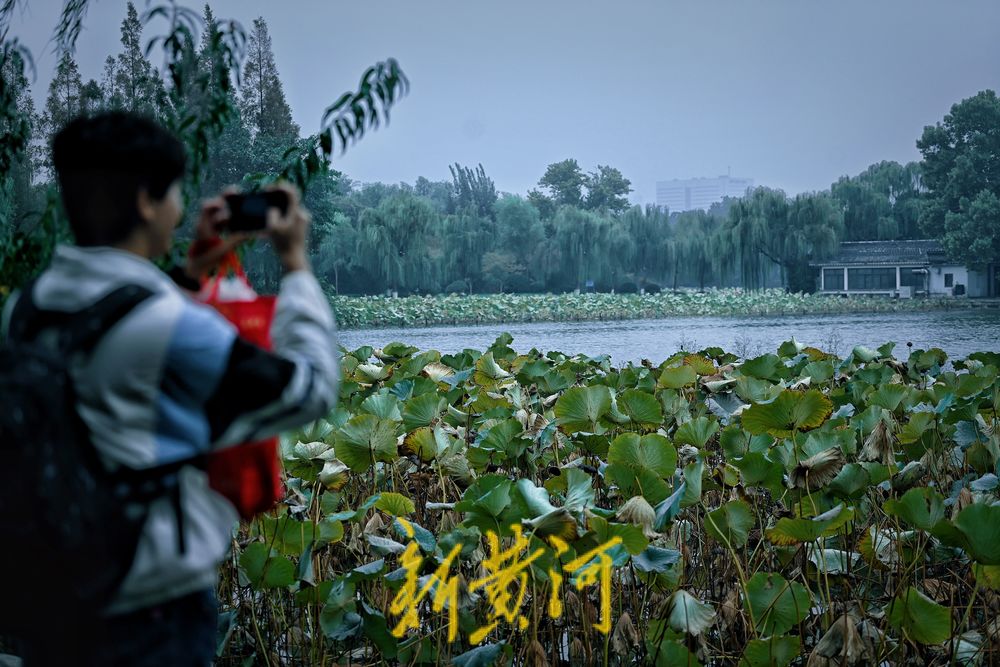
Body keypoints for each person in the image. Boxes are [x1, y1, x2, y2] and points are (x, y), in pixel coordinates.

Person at [2, 112, 339, 665]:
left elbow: (117, 342)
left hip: (53, 600)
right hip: (147, 615)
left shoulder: (26, 310)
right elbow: (311, 388)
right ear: (144, 202)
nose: (180, 208)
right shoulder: (168, 325)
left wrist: (188, 277)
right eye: (176, 193)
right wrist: (295, 265)